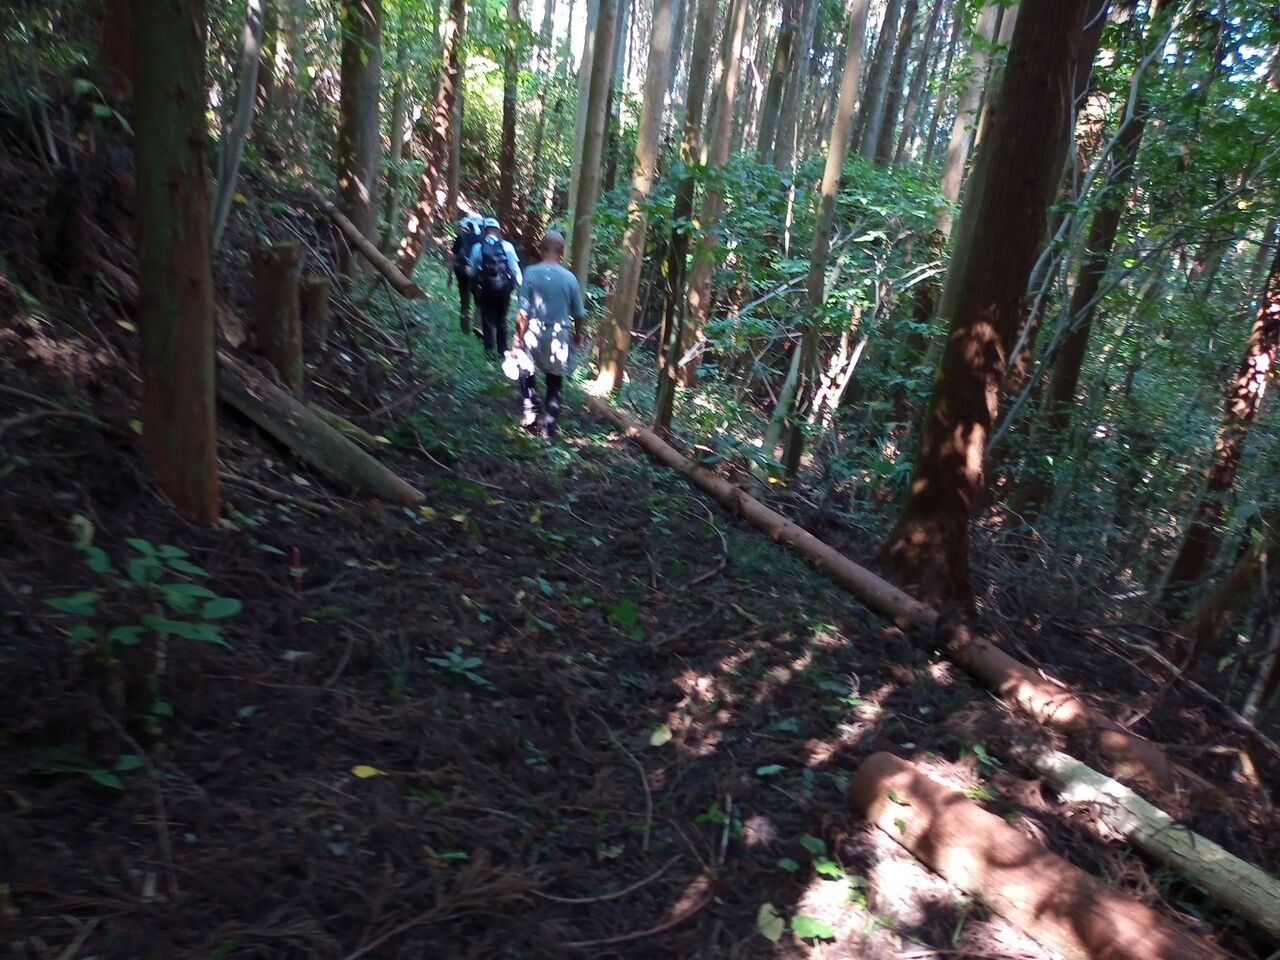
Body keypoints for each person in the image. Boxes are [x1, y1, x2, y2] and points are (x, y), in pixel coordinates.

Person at [512, 229, 587, 439]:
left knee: (525, 371)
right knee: (555, 381)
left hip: (533, 332)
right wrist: (578, 334)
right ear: (562, 251)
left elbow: (523, 313)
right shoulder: (570, 278)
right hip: (559, 336)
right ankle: (549, 428)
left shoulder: (530, 273)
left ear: (541, 248)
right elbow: (580, 314)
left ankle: (531, 410)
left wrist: (517, 339)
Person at [466, 216, 522, 359]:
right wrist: (518, 288)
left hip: (486, 288)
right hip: (504, 289)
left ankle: (488, 350)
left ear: (485, 230)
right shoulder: (507, 247)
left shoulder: (478, 247)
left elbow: (471, 271)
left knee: (487, 318)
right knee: (501, 319)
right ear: (498, 231)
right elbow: (515, 270)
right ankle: (502, 351)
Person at [447, 214, 483, 334]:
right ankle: (478, 325)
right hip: (477, 274)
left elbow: (453, 257)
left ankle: (464, 328)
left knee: (464, 300)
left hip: (461, 271)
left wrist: (449, 276)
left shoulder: (461, 237)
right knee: (479, 302)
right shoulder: (482, 239)